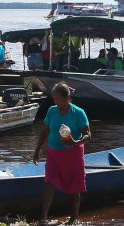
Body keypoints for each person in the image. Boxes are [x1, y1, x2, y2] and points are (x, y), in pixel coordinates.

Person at [33, 82, 90, 225]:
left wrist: (76, 142)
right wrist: (38, 149)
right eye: (54, 99)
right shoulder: (52, 110)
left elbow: (88, 135)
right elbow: (45, 131)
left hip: (73, 154)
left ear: (67, 98)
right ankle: (43, 218)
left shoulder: (78, 113)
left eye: (58, 99)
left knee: (74, 185)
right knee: (50, 181)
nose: (55, 102)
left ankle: (73, 218)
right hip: (53, 153)